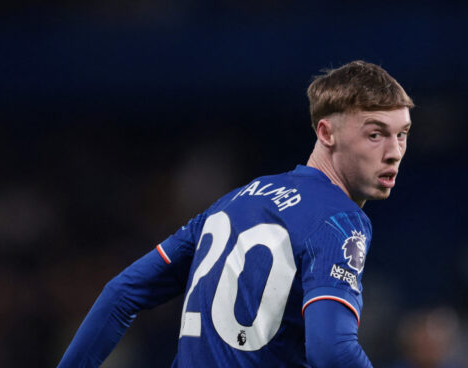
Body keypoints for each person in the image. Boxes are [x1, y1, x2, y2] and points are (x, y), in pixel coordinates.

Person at [58, 60, 414, 367]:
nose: (394, 151)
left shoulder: (236, 200)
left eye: (402, 134)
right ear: (326, 132)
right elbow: (332, 352)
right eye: (375, 134)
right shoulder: (338, 219)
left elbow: (120, 294)